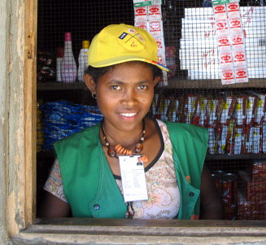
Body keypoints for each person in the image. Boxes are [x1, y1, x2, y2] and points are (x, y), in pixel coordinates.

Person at [39, 23, 223, 220]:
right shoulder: (72, 156)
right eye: (116, 87)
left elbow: (212, 205)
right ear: (92, 84)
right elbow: (49, 229)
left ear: (154, 83)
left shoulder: (182, 142)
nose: (130, 101)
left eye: (142, 86)